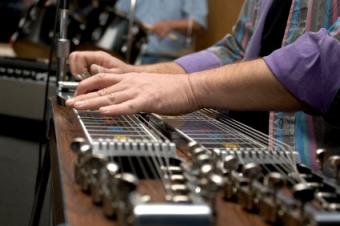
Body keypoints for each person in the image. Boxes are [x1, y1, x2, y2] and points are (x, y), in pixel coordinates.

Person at [66, 0, 340, 169]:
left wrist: (190, 88)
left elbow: (329, 62)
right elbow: (235, 50)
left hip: (312, 173)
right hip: (242, 157)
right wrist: (135, 74)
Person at [114, 0, 208, 64]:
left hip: (166, 57)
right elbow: (119, 13)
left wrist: (170, 25)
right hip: (128, 51)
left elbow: (199, 25)